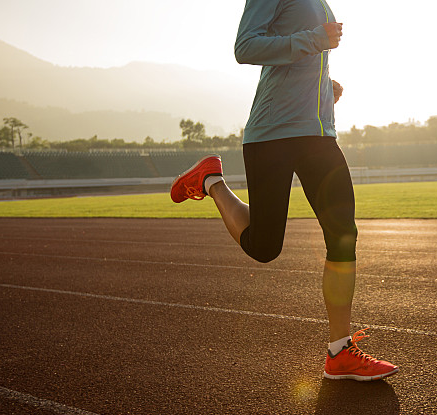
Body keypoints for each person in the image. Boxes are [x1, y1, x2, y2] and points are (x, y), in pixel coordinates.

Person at [170, 0, 398, 381]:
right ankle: (211, 181)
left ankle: (340, 351)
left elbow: (302, 58)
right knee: (264, 246)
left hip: (319, 135)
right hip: (272, 134)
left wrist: (324, 85)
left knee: (343, 232)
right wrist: (314, 39)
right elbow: (247, 47)